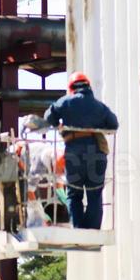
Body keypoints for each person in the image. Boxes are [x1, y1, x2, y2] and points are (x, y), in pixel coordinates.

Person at [42, 72, 119, 229]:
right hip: (96, 152)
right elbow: (113, 124)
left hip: (74, 151)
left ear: (71, 88)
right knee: (94, 193)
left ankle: (78, 227)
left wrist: (59, 124)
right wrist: (96, 127)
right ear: (88, 86)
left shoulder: (65, 102)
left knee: (74, 192)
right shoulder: (99, 106)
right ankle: (92, 229)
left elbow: (49, 116)